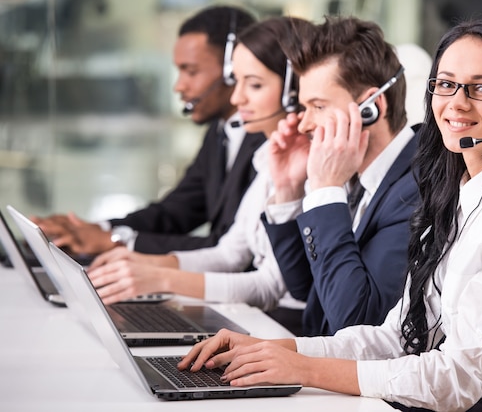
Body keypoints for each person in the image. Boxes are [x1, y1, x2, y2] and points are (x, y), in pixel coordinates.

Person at [177, 18, 482, 412]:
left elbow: (456, 380)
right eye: (445, 84)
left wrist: (301, 368)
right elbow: (395, 338)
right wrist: (274, 349)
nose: (457, 103)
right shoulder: (457, 195)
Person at [86, 17, 313, 324]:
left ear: (294, 90)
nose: (237, 98)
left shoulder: (307, 167)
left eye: (255, 84)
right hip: (260, 319)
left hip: (285, 326)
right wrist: (143, 263)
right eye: (237, 81)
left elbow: (270, 285)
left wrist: (160, 279)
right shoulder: (266, 159)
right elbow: (229, 253)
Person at [32, 5, 265, 255]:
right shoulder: (219, 134)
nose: (179, 86)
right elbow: (174, 213)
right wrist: (92, 229)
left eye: (191, 71)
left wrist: (116, 240)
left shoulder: (269, 140)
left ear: (233, 70)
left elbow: (234, 250)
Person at [261, 16, 420, 336]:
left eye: (317, 106)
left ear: (371, 107)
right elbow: (311, 292)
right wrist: (289, 188)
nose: (303, 124)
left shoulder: (417, 187)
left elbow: (356, 322)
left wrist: (325, 189)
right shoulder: (357, 174)